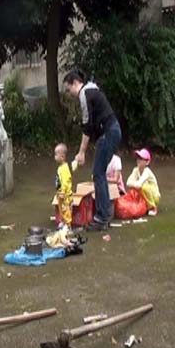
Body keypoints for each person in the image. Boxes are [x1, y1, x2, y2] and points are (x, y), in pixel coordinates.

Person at [64, 70, 122, 231]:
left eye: (68, 89)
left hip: (109, 133)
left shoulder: (84, 94)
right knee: (99, 172)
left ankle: (102, 217)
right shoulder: (92, 90)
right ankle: (104, 215)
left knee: (98, 173)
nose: (69, 93)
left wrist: (81, 152)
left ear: (75, 83)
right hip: (113, 131)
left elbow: (87, 126)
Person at [126, 148, 160, 216]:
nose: (138, 160)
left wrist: (134, 184)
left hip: (154, 196)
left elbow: (139, 185)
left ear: (147, 162)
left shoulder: (147, 171)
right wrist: (135, 184)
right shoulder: (135, 170)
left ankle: (152, 207)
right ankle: (143, 206)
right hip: (144, 194)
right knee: (133, 189)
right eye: (138, 158)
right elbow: (128, 182)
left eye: (141, 159)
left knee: (144, 187)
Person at [54, 143, 73, 228]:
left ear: (62, 156)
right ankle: (63, 222)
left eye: (56, 154)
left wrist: (62, 192)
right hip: (60, 194)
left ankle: (68, 226)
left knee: (66, 211)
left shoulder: (65, 168)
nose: (54, 156)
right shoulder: (60, 167)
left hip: (65, 196)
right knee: (61, 209)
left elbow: (65, 182)